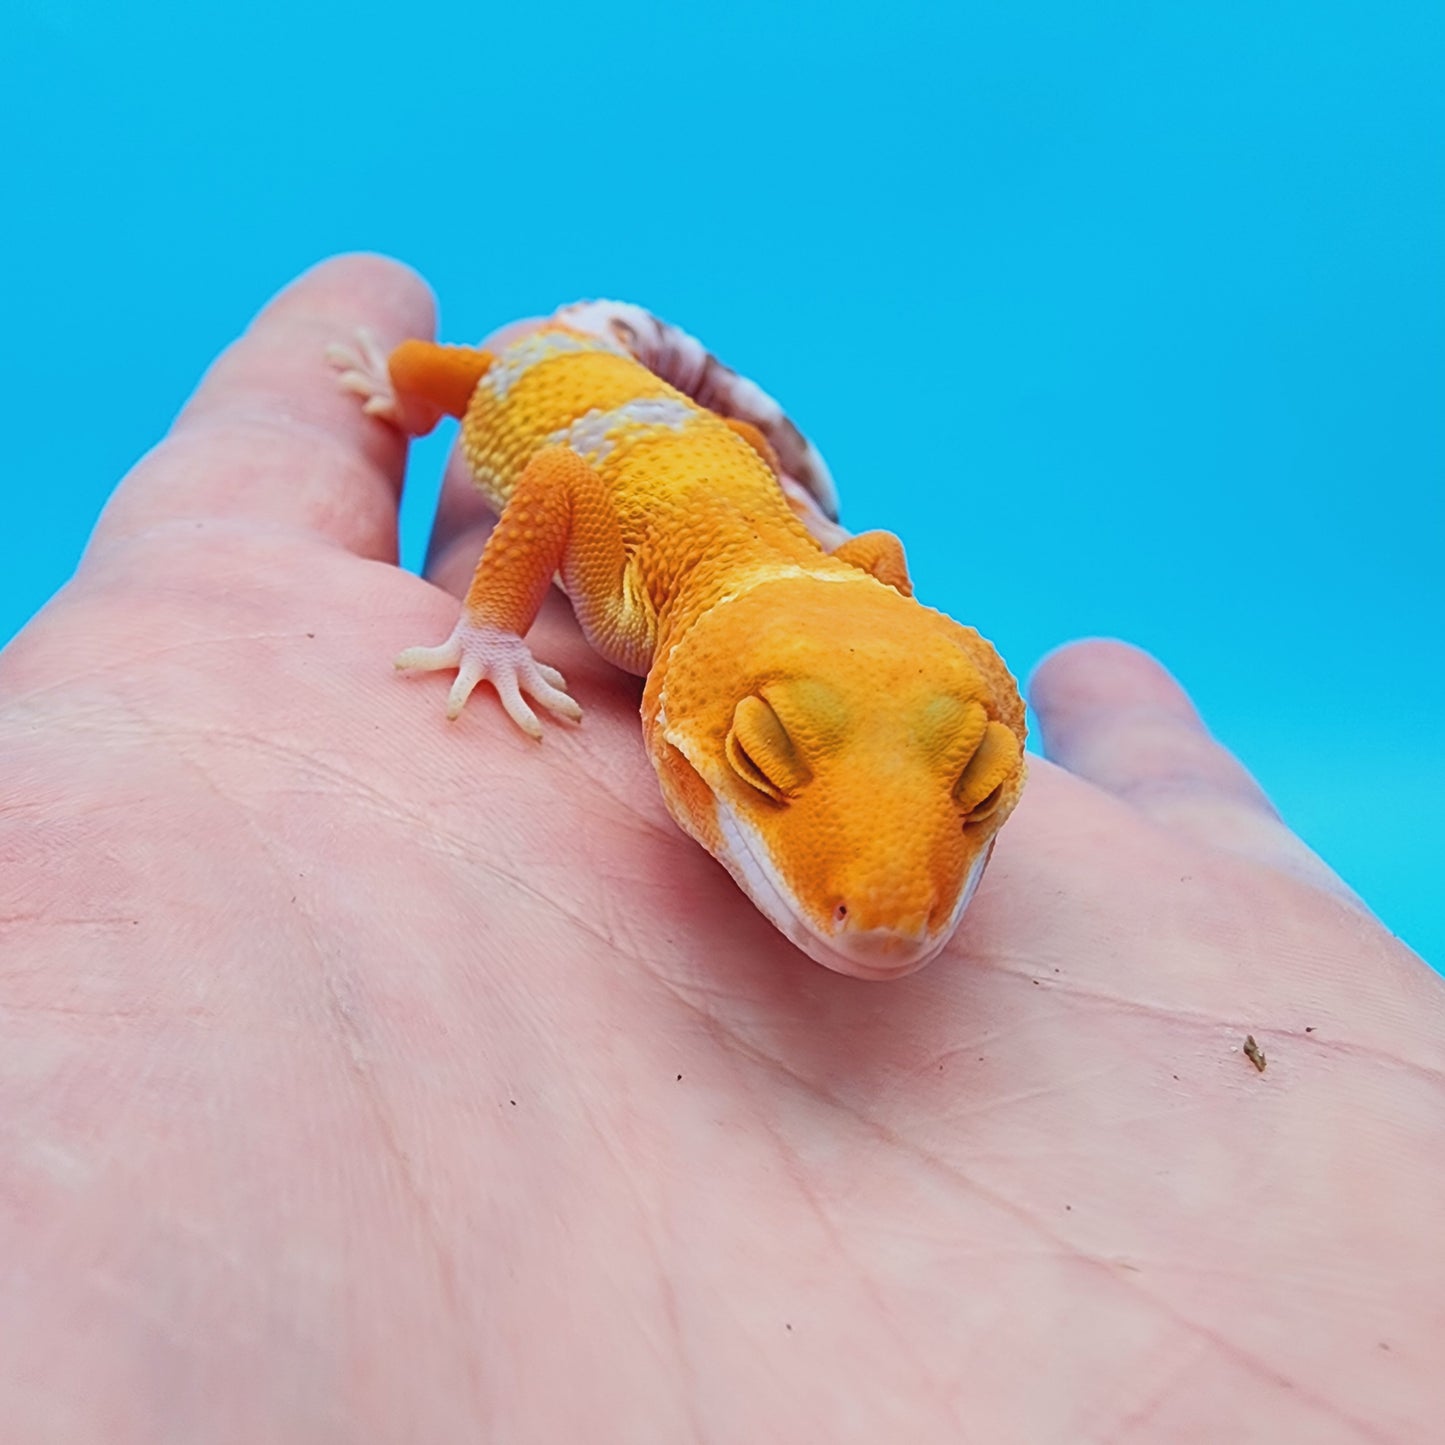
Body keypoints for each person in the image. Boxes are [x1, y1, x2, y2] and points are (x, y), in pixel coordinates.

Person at [1, 255, 1439, 1442]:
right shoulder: (640, 612)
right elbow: (550, 488)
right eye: (760, 762)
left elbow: (867, 563)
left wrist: (879, 670)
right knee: (485, 373)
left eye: (982, 783)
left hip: (752, 518)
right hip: (578, 407)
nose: (887, 916)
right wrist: (484, 606)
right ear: (693, 702)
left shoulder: (847, 586)